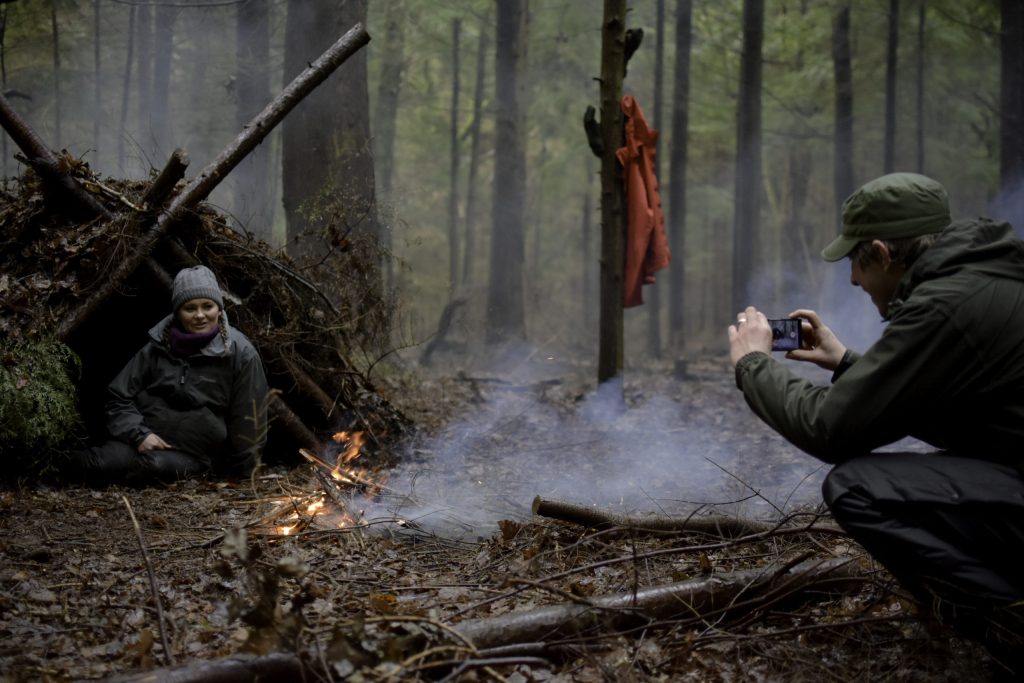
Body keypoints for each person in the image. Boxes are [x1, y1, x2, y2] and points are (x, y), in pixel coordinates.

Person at [727, 172, 1024, 675]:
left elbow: (830, 430)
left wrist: (753, 365)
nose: (852, 281)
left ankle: (1010, 622)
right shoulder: (983, 281)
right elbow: (953, 409)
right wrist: (845, 363)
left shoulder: (945, 306)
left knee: (855, 487)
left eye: (855, 263)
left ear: (883, 254)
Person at [70, 265, 268, 485]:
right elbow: (118, 397)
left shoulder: (240, 353)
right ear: (178, 313)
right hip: (142, 441)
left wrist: (245, 474)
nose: (200, 315)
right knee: (94, 462)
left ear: (219, 309)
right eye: (190, 308)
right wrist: (140, 435)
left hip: (194, 456)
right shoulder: (158, 346)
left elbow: (249, 419)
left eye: (207, 306)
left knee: (151, 467)